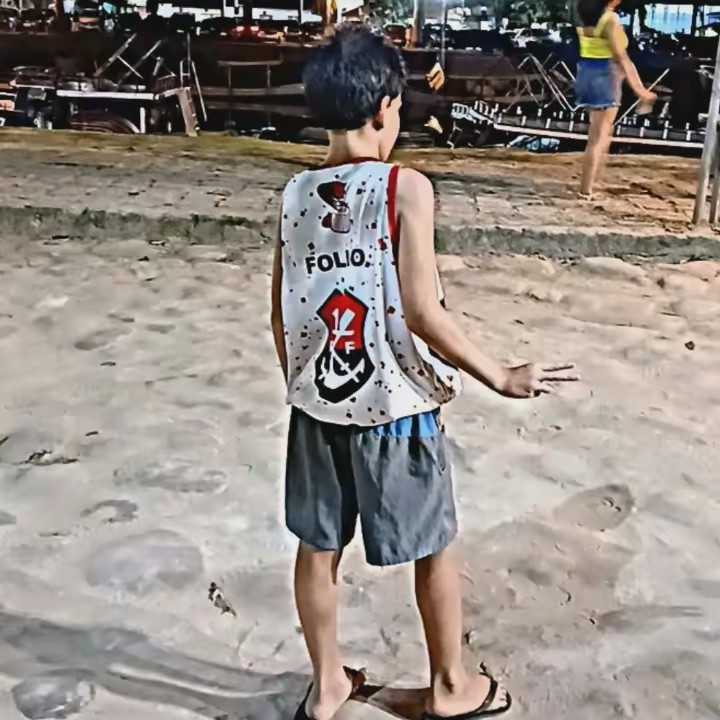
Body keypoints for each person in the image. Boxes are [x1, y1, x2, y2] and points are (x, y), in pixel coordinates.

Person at [270, 24, 578, 720]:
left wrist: (303, 385)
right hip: (396, 407)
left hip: (316, 407)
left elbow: (281, 309)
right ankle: (449, 687)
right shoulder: (405, 188)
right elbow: (421, 311)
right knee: (434, 547)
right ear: (386, 106)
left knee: (316, 547)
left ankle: (327, 685)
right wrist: (501, 375)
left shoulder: (294, 195)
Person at [575, 0, 656, 198]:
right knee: (598, 137)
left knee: (602, 133)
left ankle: (594, 180)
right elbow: (622, 57)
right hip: (605, 76)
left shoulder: (583, 16)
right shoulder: (609, 20)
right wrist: (640, 89)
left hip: (586, 73)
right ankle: (586, 189)